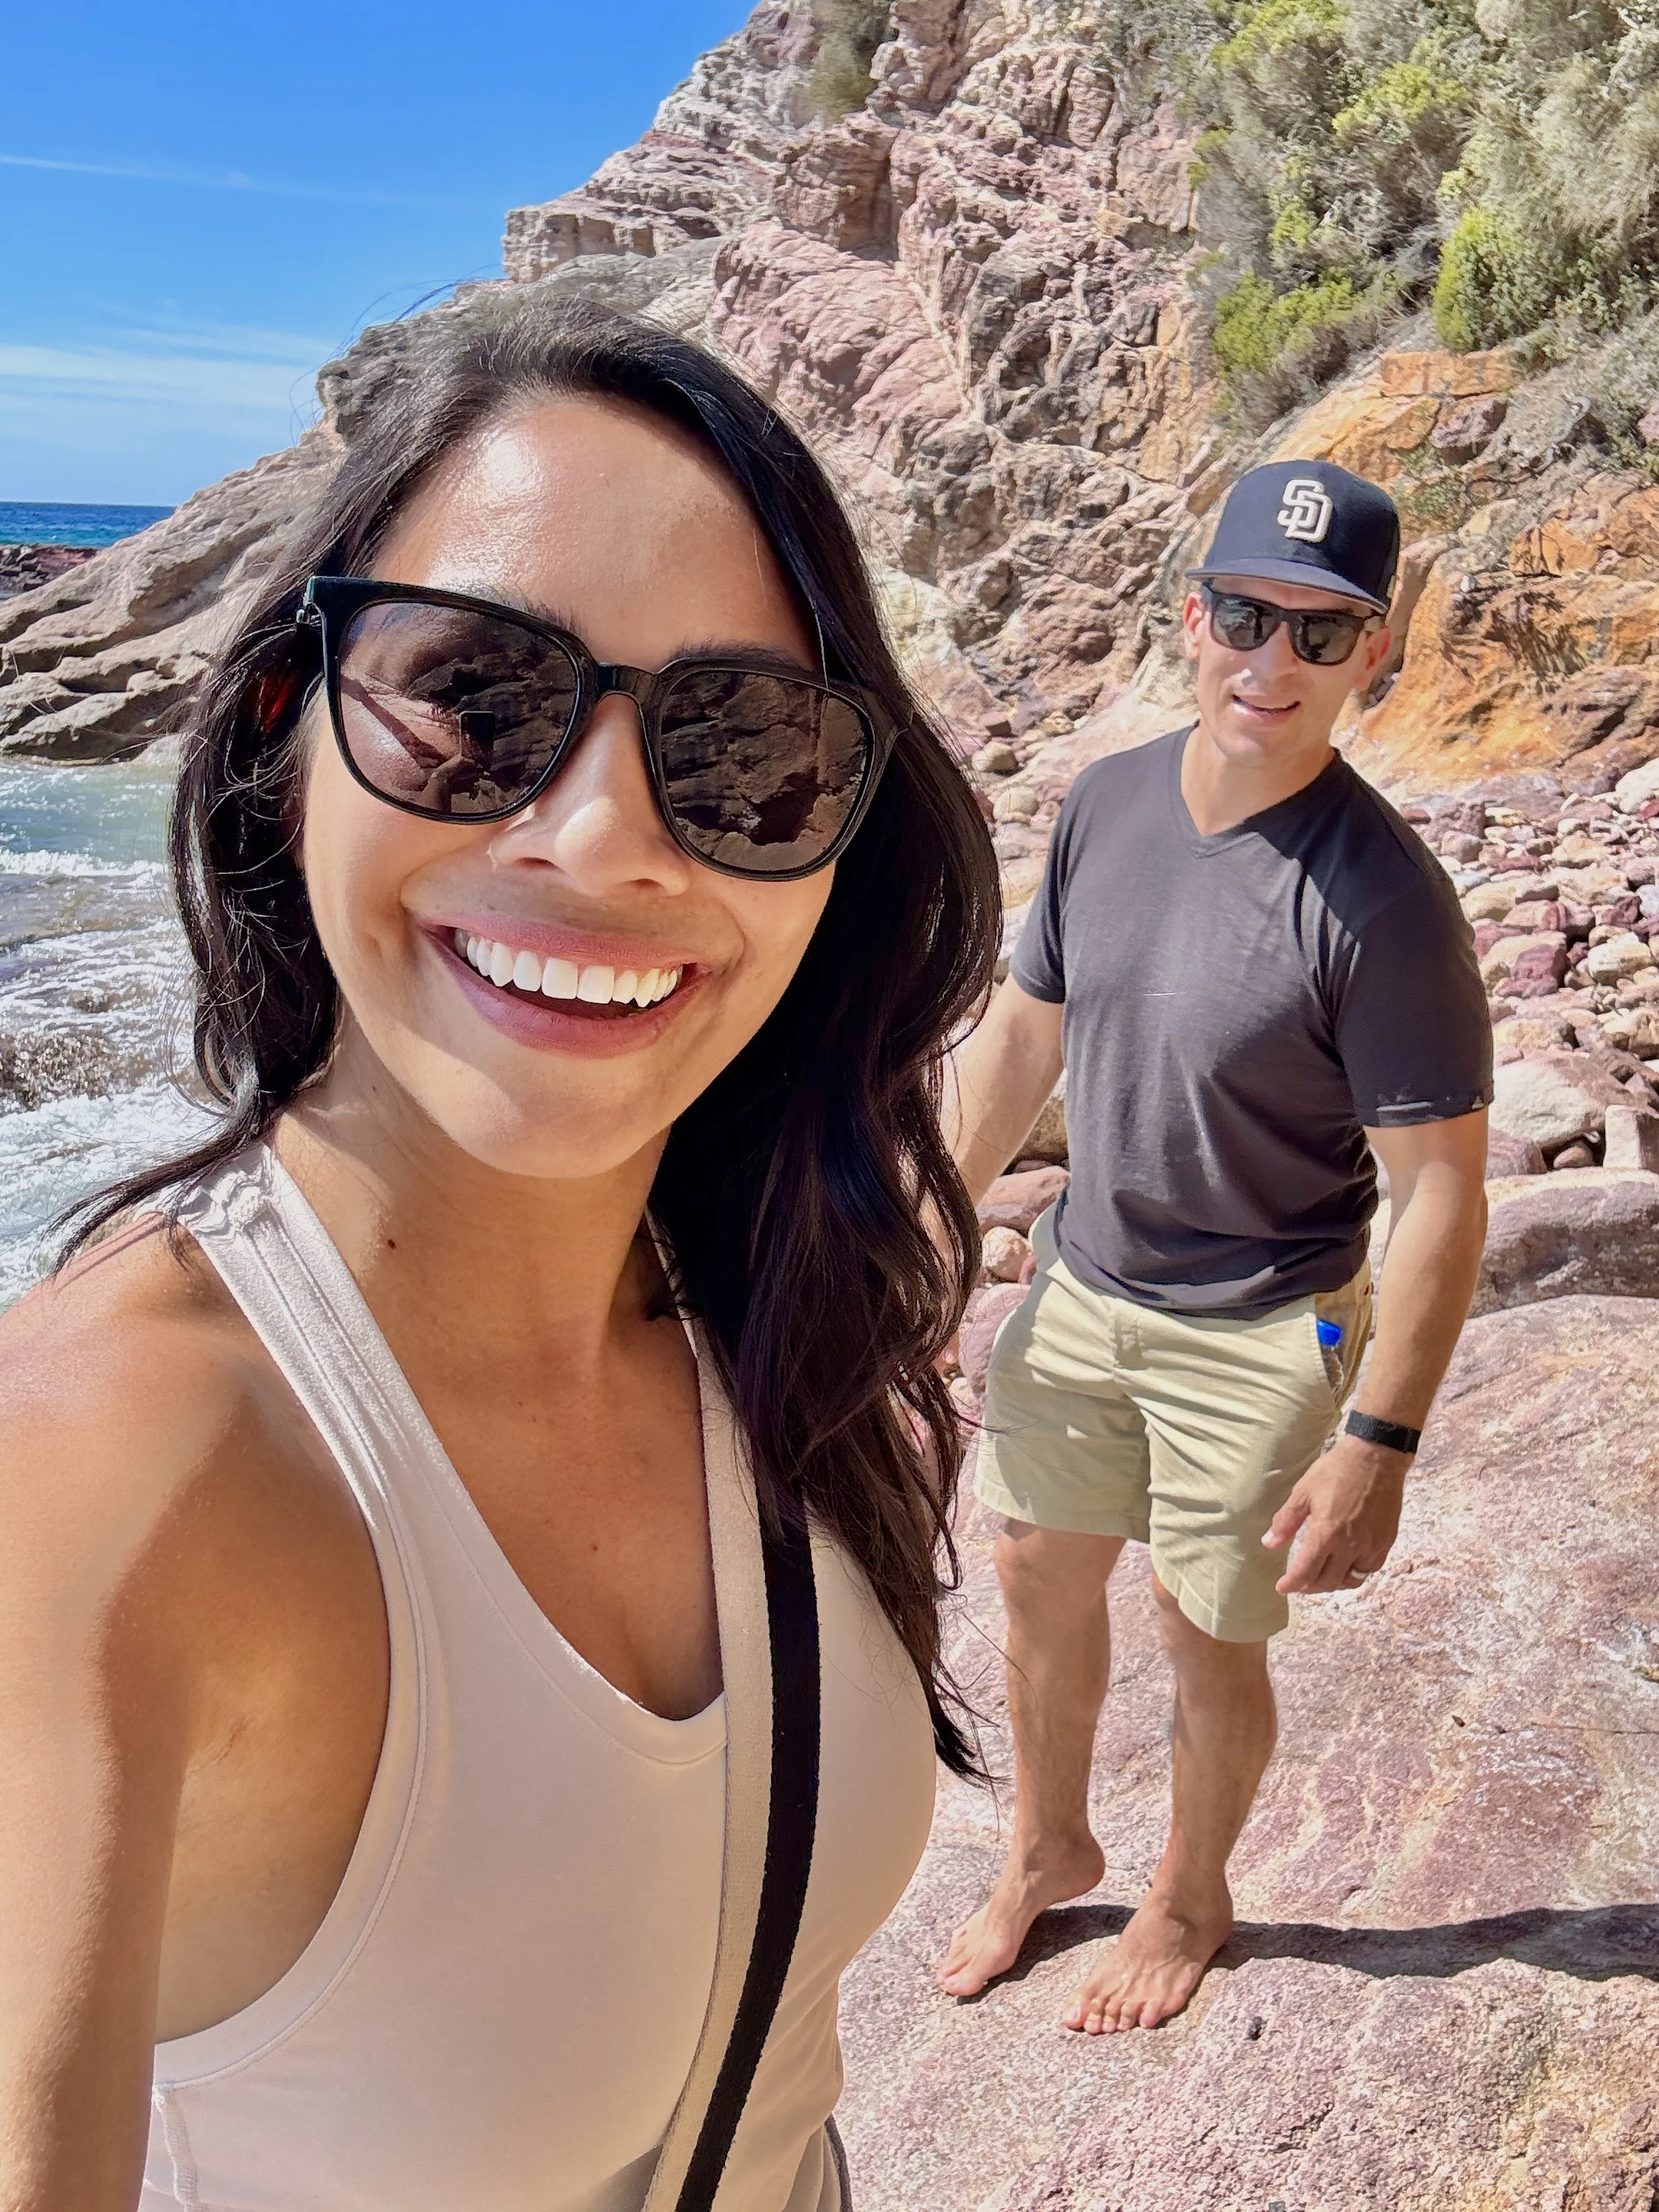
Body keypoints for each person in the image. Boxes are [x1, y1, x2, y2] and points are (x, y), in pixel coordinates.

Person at [0, 302, 1000, 2211]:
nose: (604, 838)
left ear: (837, 842)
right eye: (473, 697)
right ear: (287, 731)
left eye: (746, 746)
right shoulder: (89, 1473)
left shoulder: (775, 1313)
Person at [935, 460, 1492, 2033]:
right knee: (1036, 1566)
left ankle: (1191, 1892)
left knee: (1205, 1622)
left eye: (1322, 632)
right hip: (1085, 1279)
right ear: (1191, 616)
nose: (1274, 660)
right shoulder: (1106, 803)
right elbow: (1021, 1039)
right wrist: (932, 1230)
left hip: (1264, 1323)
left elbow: (1442, 1192)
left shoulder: (1385, 906)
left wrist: (1378, 1441)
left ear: (1375, 652)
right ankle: (1049, 1845)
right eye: (1247, 615)